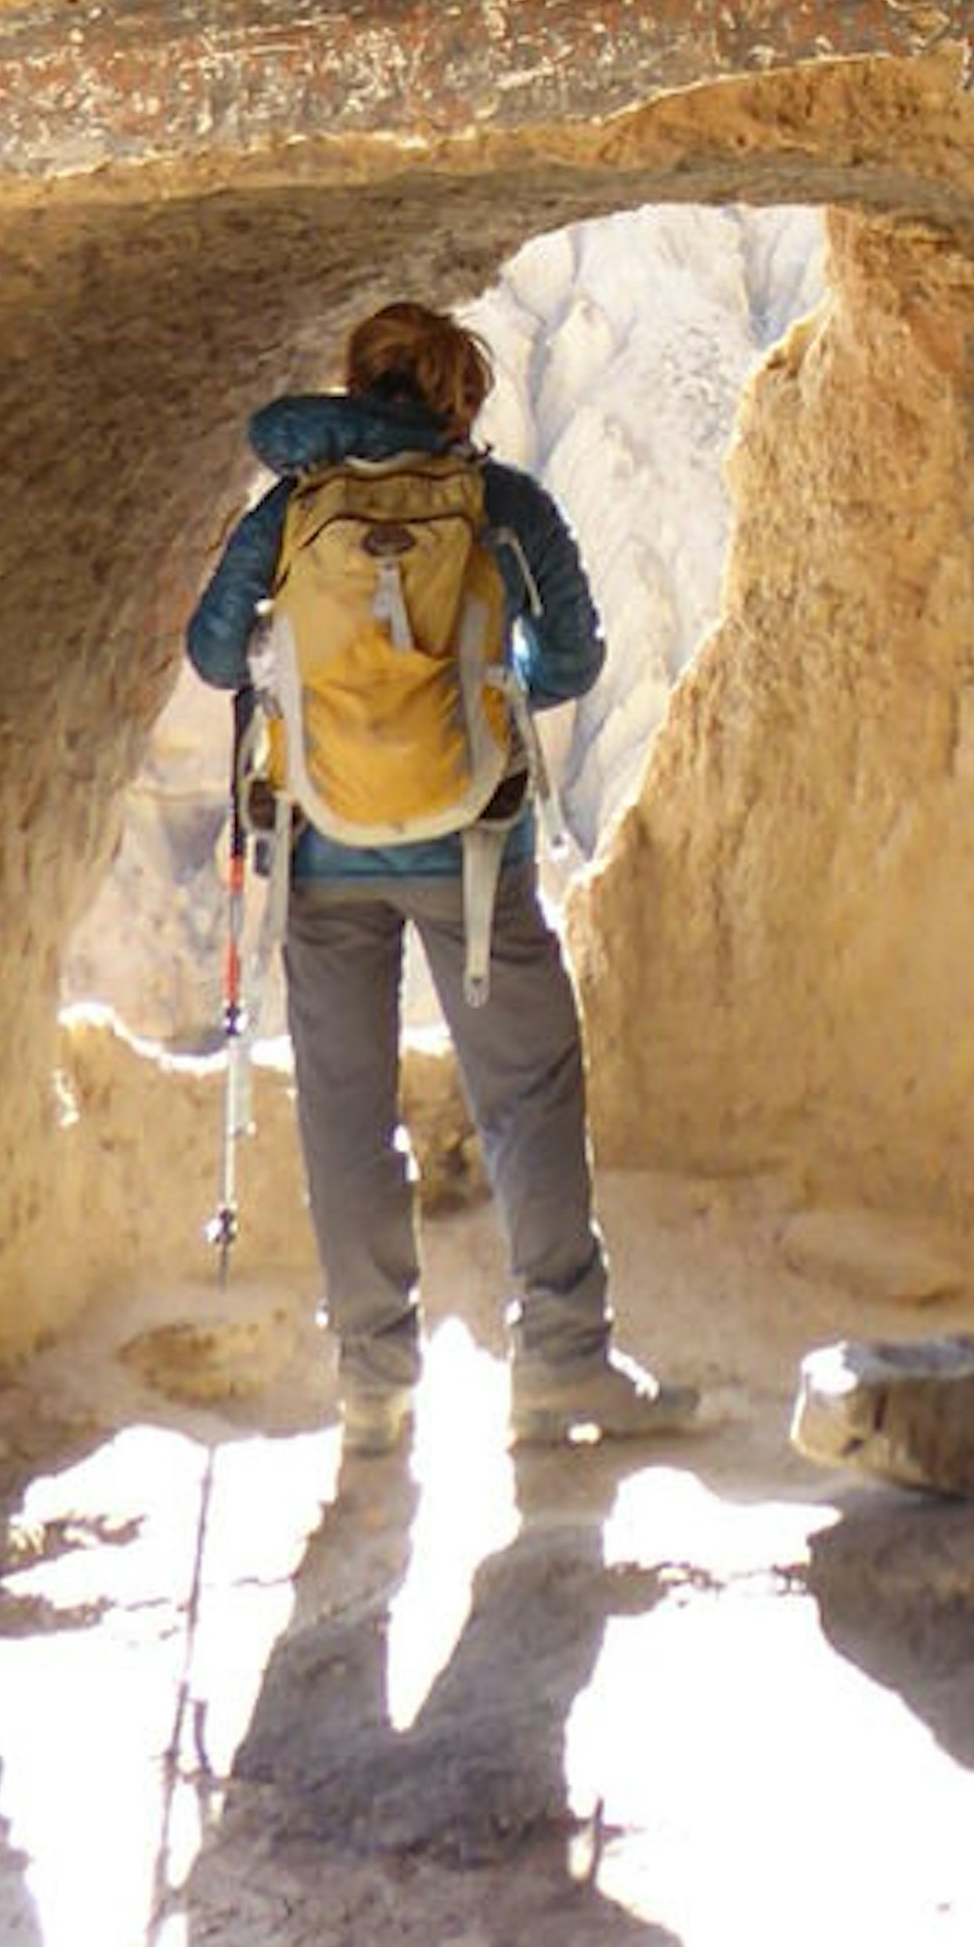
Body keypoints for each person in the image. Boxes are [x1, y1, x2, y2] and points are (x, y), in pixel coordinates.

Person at [184, 295, 687, 1464]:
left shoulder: (292, 510)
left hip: (322, 860)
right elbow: (572, 660)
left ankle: (374, 1389)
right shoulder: (503, 505)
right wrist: (481, 686)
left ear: (358, 387)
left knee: (347, 1116)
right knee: (529, 1093)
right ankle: (563, 1362)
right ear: (458, 396)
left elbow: (213, 656)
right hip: (476, 855)